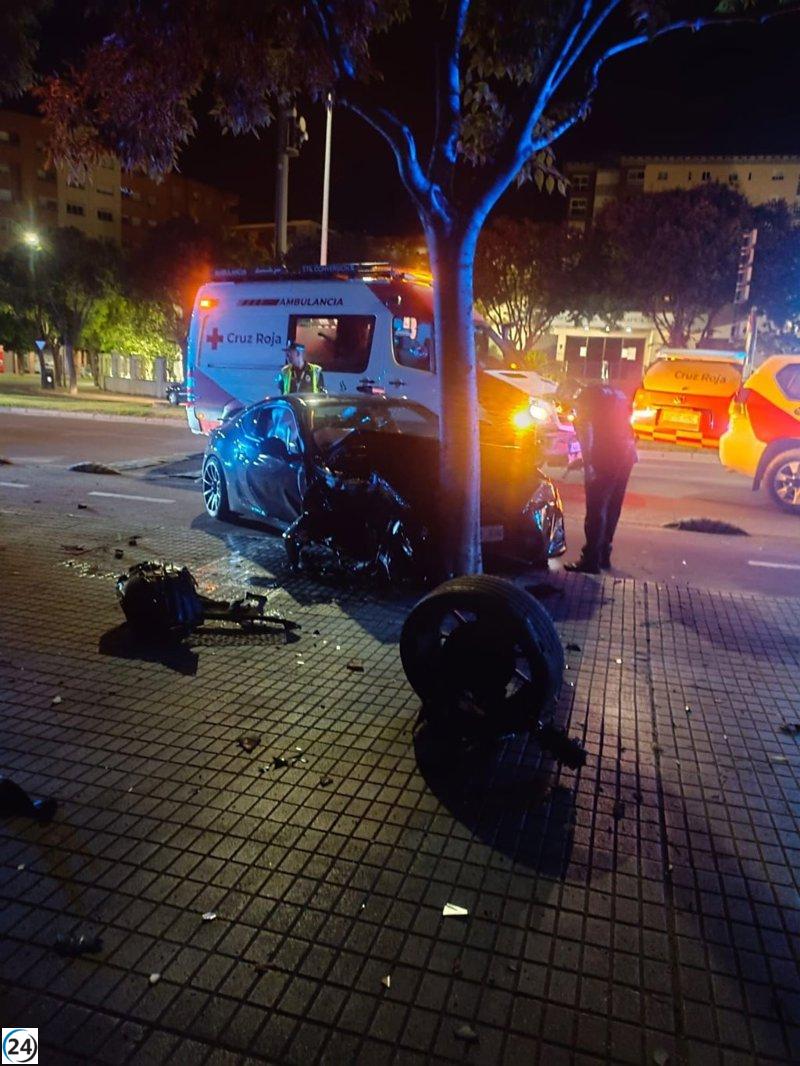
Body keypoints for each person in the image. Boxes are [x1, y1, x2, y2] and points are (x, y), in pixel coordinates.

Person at [565, 382, 637, 574]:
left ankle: (591, 560)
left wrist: (588, 464)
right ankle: (604, 553)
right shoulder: (616, 392)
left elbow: (586, 430)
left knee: (596, 508)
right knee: (613, 506)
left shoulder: (586, 396)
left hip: (606, 455)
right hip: (627, 453)